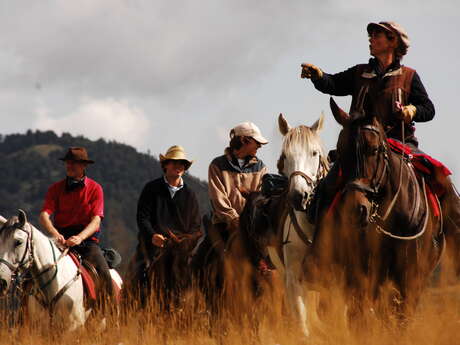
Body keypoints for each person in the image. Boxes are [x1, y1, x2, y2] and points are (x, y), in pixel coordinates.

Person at [301, 21, 460, 234]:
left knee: (441, 178)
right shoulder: (359, 72)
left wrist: (411, 111)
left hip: (399, 143)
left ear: (393, 41)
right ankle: (319, 242)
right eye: (371, 35)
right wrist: (319, 76)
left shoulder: (409, 76)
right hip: (360, 145)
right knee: (326, 185)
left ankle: (454, 235)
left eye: (377, 35)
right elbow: (334, 84)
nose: (371, 39)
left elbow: (428, 109)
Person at [126, 145, 202, 307]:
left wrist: (185, 242)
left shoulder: (190, 194)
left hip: (181, 250)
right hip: (152, 247)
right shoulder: (151, 188)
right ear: (165, 165)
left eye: (182, 163)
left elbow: (196, 227)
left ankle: (201, 314)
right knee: (136, 274)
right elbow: (142, 218)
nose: (178, 166)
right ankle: (129, 309)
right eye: (174, 162)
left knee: (199, 280)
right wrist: (152, 235)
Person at [39, 147, 113, 307]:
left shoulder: (95, 188)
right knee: (32, 272)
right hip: (60, 239)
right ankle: (23, 317)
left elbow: (96, 221)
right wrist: (55, 233)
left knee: (104, 274)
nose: (69, 166)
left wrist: (79, 237)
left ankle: (110, 315)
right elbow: (44, 215)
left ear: (84, 166)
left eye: (74, 163)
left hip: (86, 242)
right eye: (68, 163)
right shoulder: (55, 189)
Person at [193, 122, 269, 272]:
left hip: (253, 228)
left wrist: (250, 221)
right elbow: (218, 198)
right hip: (224, 226)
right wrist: (234, 219)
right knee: (198, 263)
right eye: (257, 142)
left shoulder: (261, 168)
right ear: (244, 141)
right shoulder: (217, 165)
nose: (260, 146)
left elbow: (261, 197)